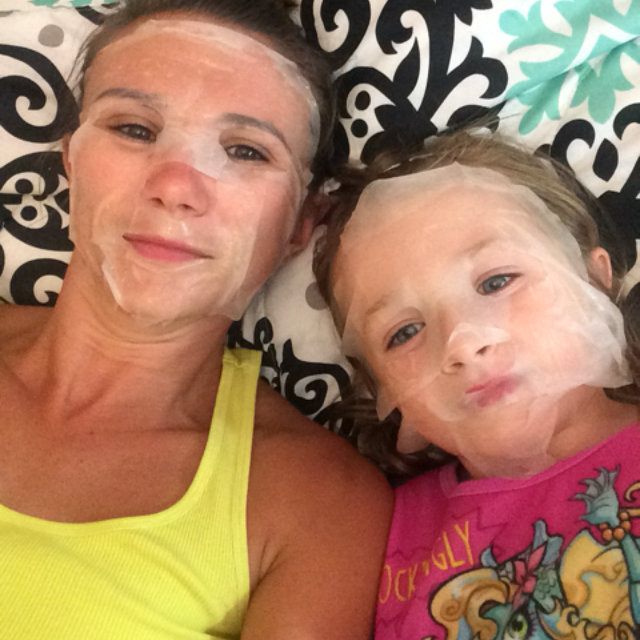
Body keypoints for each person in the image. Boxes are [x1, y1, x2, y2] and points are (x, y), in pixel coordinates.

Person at [0, 1, 393, 637]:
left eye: (246, 150)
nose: (176, 185)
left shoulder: (318, 504)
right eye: (134, 129)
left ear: (301, 224)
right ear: (71, 162)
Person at [313, 128, 640, 638]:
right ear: (384, 393)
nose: (462, 344)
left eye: (496, 281)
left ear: (595, 280)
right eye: (404, 333)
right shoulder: (373, 537)